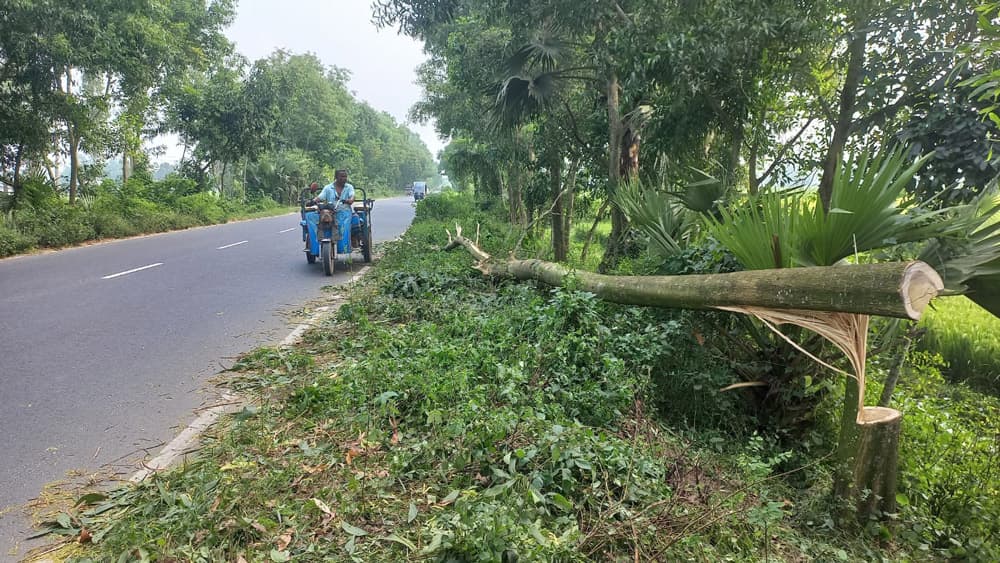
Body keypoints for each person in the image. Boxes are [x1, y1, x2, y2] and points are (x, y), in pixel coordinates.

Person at [310, 169, 356, 249]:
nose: (344, 178)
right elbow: (320, 197)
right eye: (341, 176)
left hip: (344, 211)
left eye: (345, 176)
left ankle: (346, 245)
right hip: (330, 212)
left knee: (346, 226)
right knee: (317, 220)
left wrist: (350, 200)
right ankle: (317, 244)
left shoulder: (349, 187)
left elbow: (352, 196)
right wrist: (313, 201)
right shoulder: (328, 188)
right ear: (336, 177)